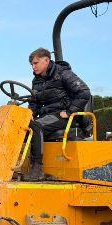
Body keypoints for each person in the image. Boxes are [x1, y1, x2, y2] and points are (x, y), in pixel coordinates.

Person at [23, 47, 91, 181]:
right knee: (23, 126)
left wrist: (70, 111)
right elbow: (34, 101)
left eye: (36, 63)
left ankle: (37, 169)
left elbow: (84, 92)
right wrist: (30, 113)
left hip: (65, 116)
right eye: (31, 64)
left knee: (36, 127)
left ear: (46, 60)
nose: (33, 66)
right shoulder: (37, 80)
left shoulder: (64, 74)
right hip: (48, 115)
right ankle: (23, 166)